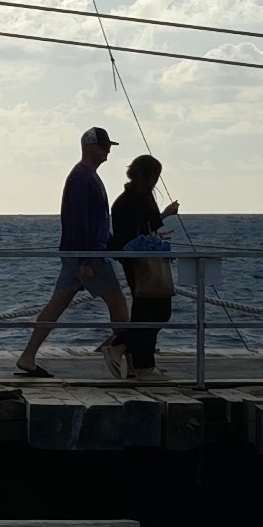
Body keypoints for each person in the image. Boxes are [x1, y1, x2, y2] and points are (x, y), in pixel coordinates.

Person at [15, 124, 133, 375]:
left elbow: (95, 222)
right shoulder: (83, 178)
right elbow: (80, 221)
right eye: (104, 146)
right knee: (118, 303)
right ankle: (129, 359)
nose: (107, 152)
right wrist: (86, 260)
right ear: (89, 147)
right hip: (87, 255)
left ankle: (28, 356)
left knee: (57, 304)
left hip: (81, 254)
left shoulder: (86, 176)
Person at [113, 155, 180, 377]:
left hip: (135, 261)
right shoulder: (136, 200)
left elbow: (139, 229)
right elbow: (141, 229)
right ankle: (124, 348)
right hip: (142, 263)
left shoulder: (128, 198)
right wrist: (166, 214)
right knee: (156, 311)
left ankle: (139, 361)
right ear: (149, 175)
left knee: (145, 310)